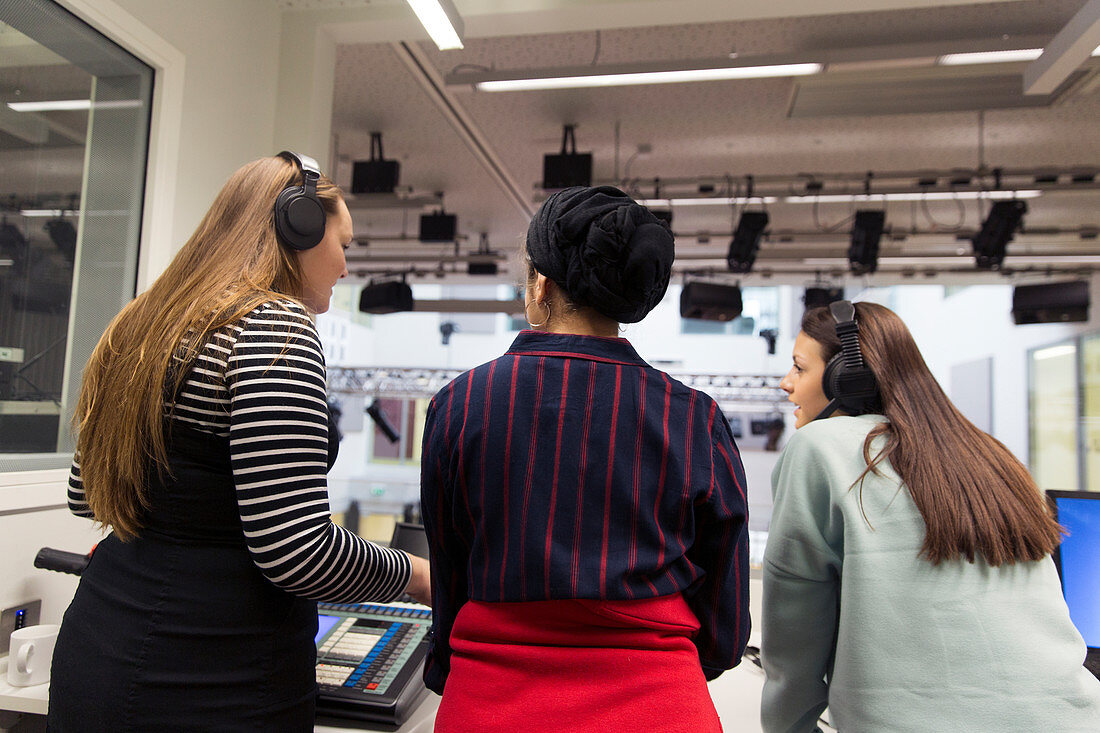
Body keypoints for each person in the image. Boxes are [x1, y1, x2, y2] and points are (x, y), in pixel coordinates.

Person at [47, 152, 431, 732]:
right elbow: (297, 550)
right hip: (213, 674)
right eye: (344, 245)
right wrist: (424, 577)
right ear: (296, 228)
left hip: (99, 650)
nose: (346, 266)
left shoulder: (140, 323)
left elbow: (87, 495)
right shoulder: (274, 326)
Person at [419, 185, 750, 732]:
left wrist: (454, 669)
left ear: (541, 286)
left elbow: (451, 570)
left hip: (493, 702)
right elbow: (726, 602)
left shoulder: (461, 404)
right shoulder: (692, 416)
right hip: (660, 704)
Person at [761, 300, 1100, 732]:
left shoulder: (819, 447)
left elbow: (792, 651)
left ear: (847, 378)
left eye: (799, 368)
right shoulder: (991, 455)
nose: (786, 383)